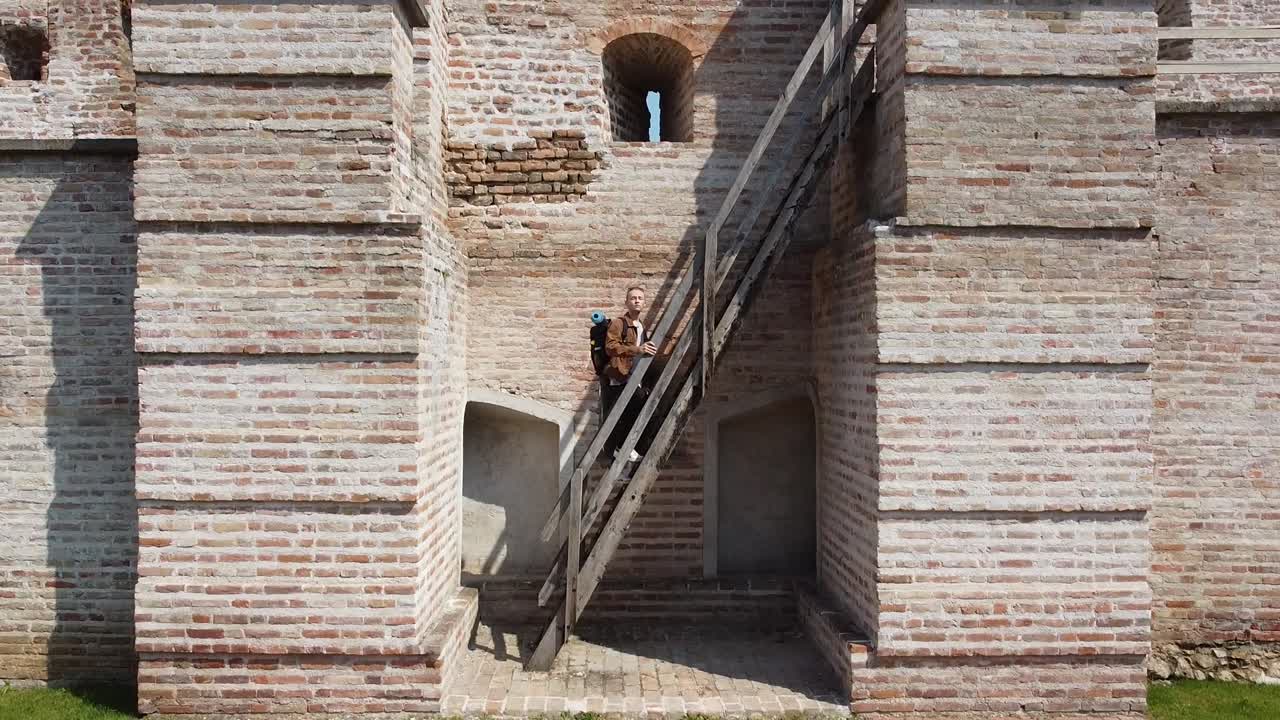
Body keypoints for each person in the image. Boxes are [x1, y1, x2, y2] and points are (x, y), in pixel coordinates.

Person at [602, 285, 658, 463]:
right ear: (626, 302)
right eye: (633, 298)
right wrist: (638, 349)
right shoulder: (619, 323)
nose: (636, 301)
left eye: (640, 298)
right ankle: (616, 449)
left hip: (633, 379)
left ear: (644, 302)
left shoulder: (641, 325)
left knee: (634, 411)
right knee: (620, 415)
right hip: (619, 378)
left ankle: (625, 448)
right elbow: (610, 347)